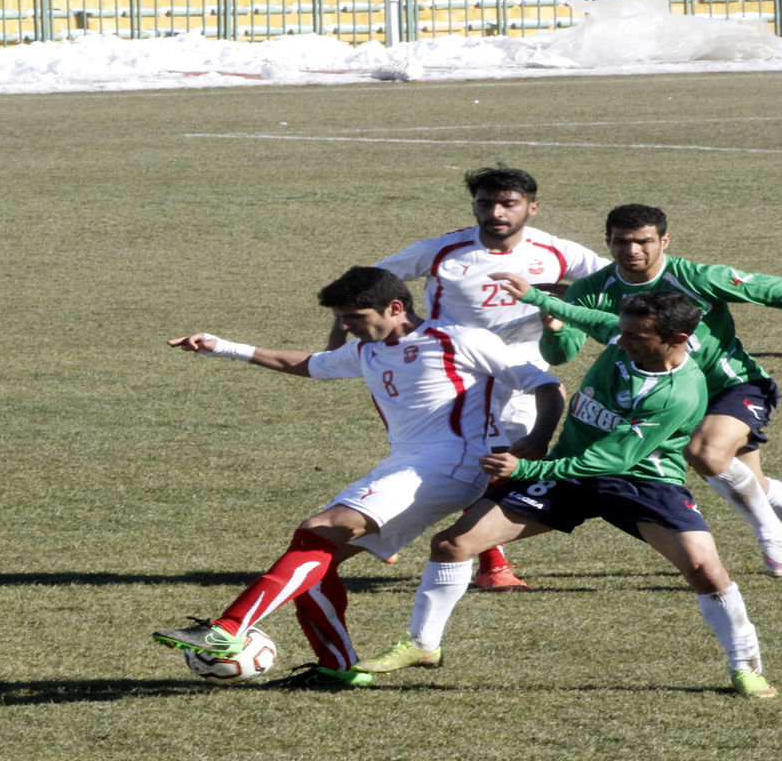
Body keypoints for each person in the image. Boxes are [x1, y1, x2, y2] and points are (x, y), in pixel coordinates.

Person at [154, 266, 563, 688]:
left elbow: (547, 385)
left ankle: (227, 627)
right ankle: (337, 668)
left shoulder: (460, 339)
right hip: (406, 462)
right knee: (317, 560)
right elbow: (306, 364)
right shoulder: (368, 350)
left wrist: (538, 438)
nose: (345, 326)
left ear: (395, 307)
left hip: (452, 464)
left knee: (320, 530)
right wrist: (221, 346)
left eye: (353, 317)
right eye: (342, 318)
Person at [357, 289, 778, 698]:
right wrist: (539, 299)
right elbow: (595, 321)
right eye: (623, 331)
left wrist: (527, 468)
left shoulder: (677, 394)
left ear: (677, 339)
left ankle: (745, 666)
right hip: (568, 474)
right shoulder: (622, 337)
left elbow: (608, 461)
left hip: (641, 481)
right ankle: (424, 644)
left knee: (705, 570)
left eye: (635, 336)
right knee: (452, 545)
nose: (621, 340)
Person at [540, 203, 782, 576]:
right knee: (752, 484)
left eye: (643, 241)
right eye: (622, 242)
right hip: (671, 399)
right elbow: (562, 355)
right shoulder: (592, 289)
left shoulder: (695, 278)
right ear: (607, 241)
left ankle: (773, 533)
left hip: (733, 386)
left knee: (705, 452)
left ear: (664, 240)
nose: (633, 250)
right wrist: (555, 329)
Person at [327, 166, 608, 590]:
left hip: (520, 376)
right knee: (464, 460)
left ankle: (397, 526)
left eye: (507, 203)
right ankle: (488, 563)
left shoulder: (557, 252)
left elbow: (615, 283)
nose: (496, 212)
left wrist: (562, 304)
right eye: (485, 203)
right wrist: (340, 341)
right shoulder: (445, 250)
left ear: (531, 207)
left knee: (496, 463)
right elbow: (363, 283)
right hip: (446, 376)